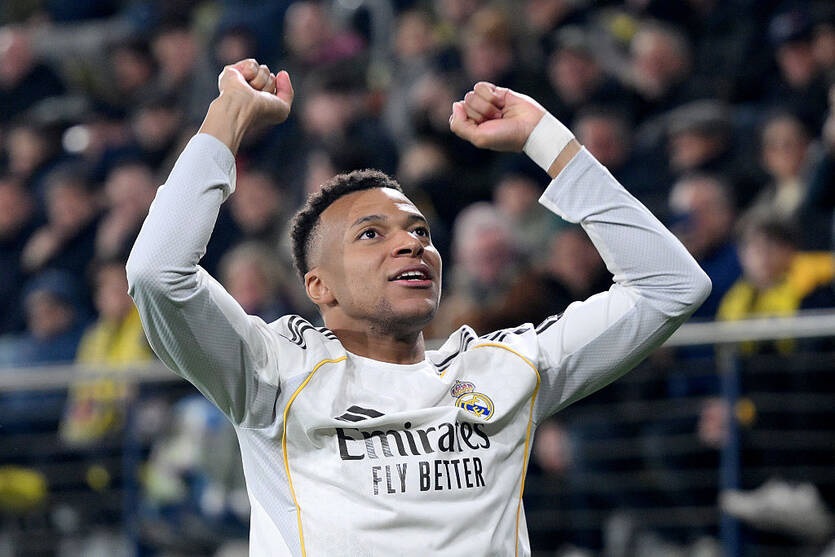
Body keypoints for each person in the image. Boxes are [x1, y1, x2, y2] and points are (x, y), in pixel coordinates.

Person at [127, 58, 710, 556]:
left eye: (420, 231)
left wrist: (548, 141)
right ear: (319, 287)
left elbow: (670, 286)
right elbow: (157, 272)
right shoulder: (273, 372)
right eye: (371, 234)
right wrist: (227, 117)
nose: (411, 244)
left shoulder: (501, 370)